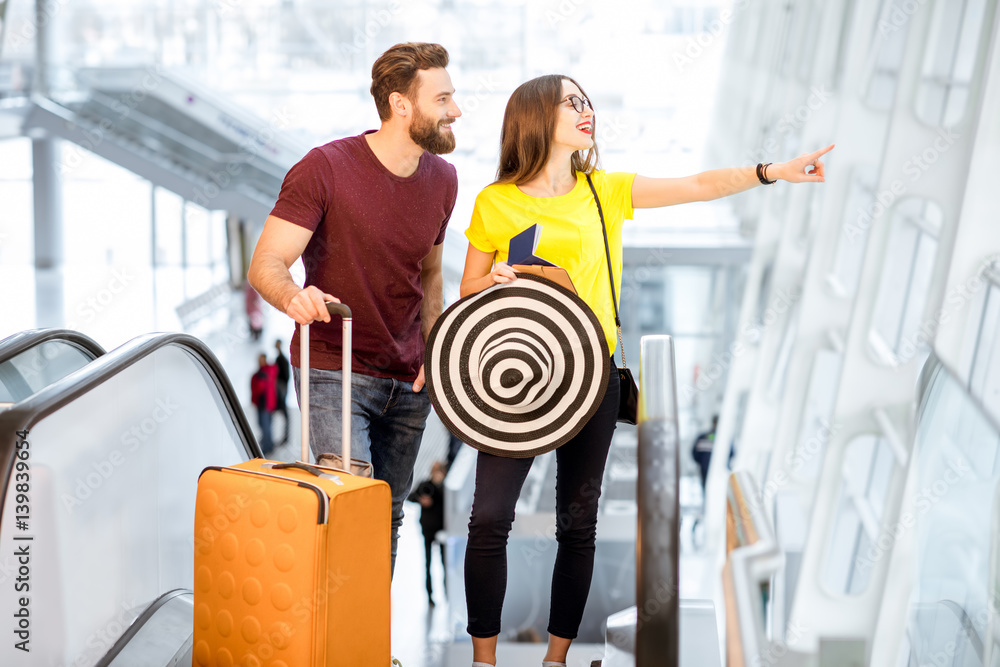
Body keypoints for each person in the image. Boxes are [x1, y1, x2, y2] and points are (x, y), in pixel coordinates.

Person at [458, 74, 832, 667]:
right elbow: (468, 289)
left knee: (576, 527)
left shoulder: (603, 191)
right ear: (534, 117)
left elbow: (698, 184)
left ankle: (556, 659)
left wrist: (771, 172)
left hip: (590, 379)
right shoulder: (495, 201)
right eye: (571, 103)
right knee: (488, 519)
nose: (587, 111)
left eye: (587, 102)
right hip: (519, 377)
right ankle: (485, 659)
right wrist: (502, 276)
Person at [247, 42, 461, 575]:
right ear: (401, 104)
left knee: (386, 516)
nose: (456, 110)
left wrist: (433, 353)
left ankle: (367, 642)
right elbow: (267, 262)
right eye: (444, 98)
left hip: (409, 378)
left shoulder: (443, 179)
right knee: (347, 505)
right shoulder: (325, 168)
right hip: (334, 365)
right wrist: (294, 296)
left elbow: (430, 273)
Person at [407, 460, 448, 607]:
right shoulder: (426, 485)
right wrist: (421, 500)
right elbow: (411, 496)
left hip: (442, 530)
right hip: (427, 529)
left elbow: (448, 501)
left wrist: (440, 484)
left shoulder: (445, 487)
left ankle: (447, 593)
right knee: (428, 563)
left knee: (445, 563)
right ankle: (430, 596)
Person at [250, 353, 277, 455]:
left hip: (266, 403)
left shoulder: (268, 371)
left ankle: (268, 446)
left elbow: (261, 387)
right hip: (261, 403)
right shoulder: (259, 373)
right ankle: (267, 443)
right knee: (262, 424)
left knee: (266, 426)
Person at [691, 414, 719, 493]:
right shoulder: (723, 438)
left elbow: (694, 454)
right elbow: (732, 454)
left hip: (705, 470)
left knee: (706, 491)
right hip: (719, 472)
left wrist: (702, 463)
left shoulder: (702, 437)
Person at [273, 338, 290, 446]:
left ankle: (285, 437)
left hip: (280, 389)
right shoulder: (279, 359)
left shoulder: (282, 359)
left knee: (284, 415)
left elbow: (285, 376)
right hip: (279, 389)